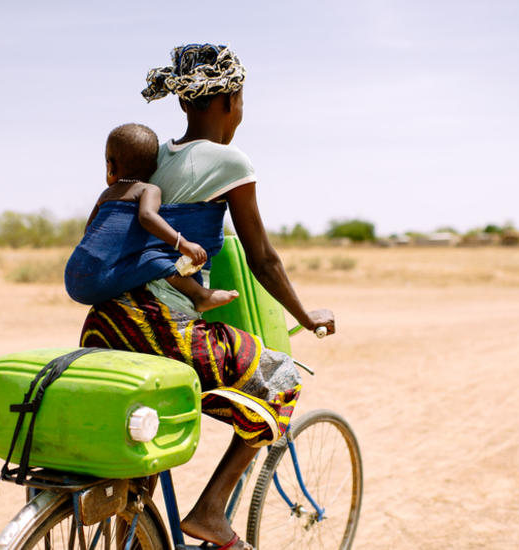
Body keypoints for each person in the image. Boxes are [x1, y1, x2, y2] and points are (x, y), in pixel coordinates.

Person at [79, 44, 335, 550]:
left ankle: (133, 526)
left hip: (105, 321)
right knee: (280, 380)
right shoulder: (229, 160)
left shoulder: (153, 158)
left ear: (182, 103)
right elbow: (262, 257)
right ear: (229, 101)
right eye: (241, 100)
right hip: (162, 329)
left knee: (146, 437)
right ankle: (211, 512)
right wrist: (306, 316)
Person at [64, 122, 239, 312]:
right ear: (155, 167)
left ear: (110, 166)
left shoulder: (107, 194)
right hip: (97, 281)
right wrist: (183, 243)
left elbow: (88, 230)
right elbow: (147, 216)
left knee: (142, 258)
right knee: (153, 258)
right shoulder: (148, 190)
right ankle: (200, 295)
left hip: (74, 272)